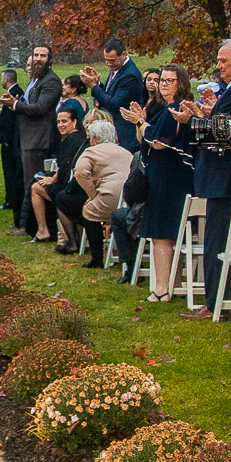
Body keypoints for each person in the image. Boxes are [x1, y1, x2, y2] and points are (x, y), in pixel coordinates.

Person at [178, 37, 231, 320]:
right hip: (224, 179)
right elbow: (223, 122)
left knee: (218, 243)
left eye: (223, 61)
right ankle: (221, 302)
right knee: (221, 241)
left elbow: (219, 133)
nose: (218, 66)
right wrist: (206, 113)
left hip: (225, 180)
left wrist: (190, 122)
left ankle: (217, 304)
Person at [123, 65, 194, 300]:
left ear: (181, 83)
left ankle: (162, 288)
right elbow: (144, 136)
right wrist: (140, 121)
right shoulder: (167, 109)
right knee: (170, 234)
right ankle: (171, 284)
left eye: (169, 81)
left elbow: (158, 142)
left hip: (168, 176)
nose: (163, 84)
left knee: (161, 234)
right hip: (168, 174)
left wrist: (141, 122)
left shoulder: (176, 108)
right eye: (161, 80)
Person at [4, 45, 63, 237]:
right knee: (26, 182)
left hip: (39, 139)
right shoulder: (36, 79)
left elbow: (40, 108)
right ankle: (29, 226)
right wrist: (16, 101)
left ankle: (38, 229)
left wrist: (15, 105)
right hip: (28, 136)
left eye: (42, 56)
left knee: (34, 183)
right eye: (35, 55)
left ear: (50, 59)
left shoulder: (51, 81)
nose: (38, 59)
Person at [70, 116, 134, 269]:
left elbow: (79, 172)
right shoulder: (125, 152)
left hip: (108, 196)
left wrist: (92, 194)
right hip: (128, 198)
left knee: (88, 211)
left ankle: (97, 258)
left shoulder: (91, 152)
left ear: (95, 139)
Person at [29, 106, 86, 250]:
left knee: (35, 188)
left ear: (74, 122)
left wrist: (52, 180)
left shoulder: (70, 140)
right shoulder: (79, 137)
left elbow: (67, 167)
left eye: (64, 121)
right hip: (73, 183)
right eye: (58, 122)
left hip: (68, 187)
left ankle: (43, 230)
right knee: (40, 181)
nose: (60, 125)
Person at [82, 37, 146, 152]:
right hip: (117, 128)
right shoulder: (119, 69)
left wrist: (94, 87)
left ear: (123, 54)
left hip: (125, 132)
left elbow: (116, 104)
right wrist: (97, 83)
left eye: (113, 60)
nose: (109, 64)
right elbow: (110, 94)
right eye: (106, 60)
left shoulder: (130, 75)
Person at [0, 66, 22, 210]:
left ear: (6, 79)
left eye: (1, 79)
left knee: (10, 171)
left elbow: (11, 119)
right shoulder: (14, 92)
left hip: (10, 142)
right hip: (11, 141)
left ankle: (11, 200)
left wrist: (6, 139)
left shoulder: (15, 94)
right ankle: (10, 199)